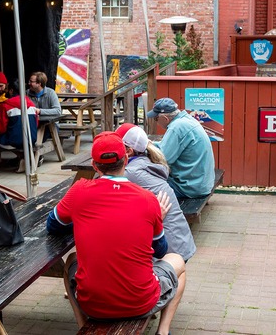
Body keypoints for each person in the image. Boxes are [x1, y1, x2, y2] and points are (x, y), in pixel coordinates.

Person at [46, 132, 186, 333]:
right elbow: (160, 250)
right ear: (126, 159)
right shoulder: (148, 200)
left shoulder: (79, 191)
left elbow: (52, 224)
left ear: (94, 166)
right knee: (178, 261)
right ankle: (163, 331)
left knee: (71, 261)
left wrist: (80, 218)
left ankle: (83, 327)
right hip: (141, 302)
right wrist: (158, 220)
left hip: (92, 305)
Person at [116, 123, 197, 262]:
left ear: (128, 151)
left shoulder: (130, 173)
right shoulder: (146, 162)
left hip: (168, 251)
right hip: (181, 242)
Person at [146, 98, 216, 199]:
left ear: (165, 118)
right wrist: (151, 144)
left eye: (156, 118)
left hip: (190, 188)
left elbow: (162, 160)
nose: (156, 122)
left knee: (144, 185)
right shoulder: (187, 119)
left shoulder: (177, 127)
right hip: (202, 183)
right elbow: (167, 146)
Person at [0, 79, 38, 165]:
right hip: (32, 139)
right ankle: (23, 158)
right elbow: (36, 124)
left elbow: (1, 129)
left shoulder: (5, 105)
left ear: (11, 90)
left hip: (14, 141)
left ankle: (20, 156)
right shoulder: (31, 103)